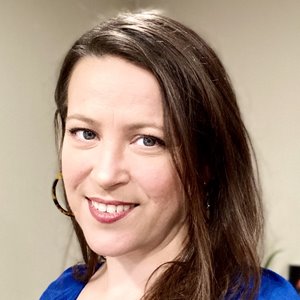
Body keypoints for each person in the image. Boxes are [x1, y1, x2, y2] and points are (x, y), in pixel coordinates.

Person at [40, 11, 298, 300]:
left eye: (148, 140)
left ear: (206, 162)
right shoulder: (61, 292)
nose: (105, 174)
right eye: (86, 133)